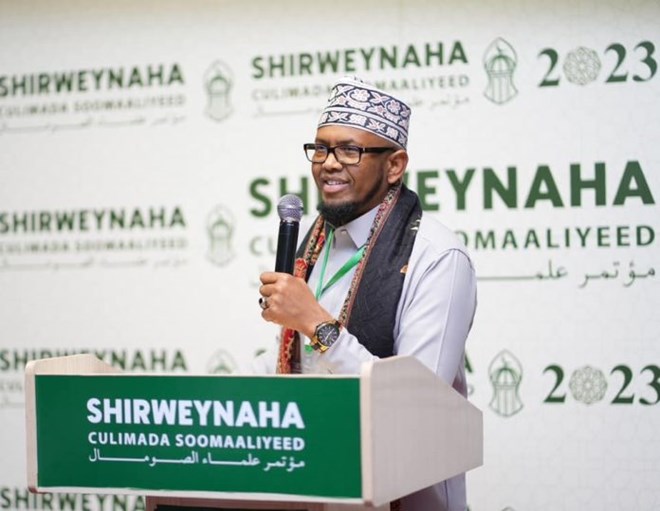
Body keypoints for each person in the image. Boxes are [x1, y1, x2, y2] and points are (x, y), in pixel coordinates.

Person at [257, 76, 477, 511]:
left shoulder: (436, 256)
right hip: (316, 484)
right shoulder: (316, 244)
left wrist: (318, 325)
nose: (328, 164)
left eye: (349, 151)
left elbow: (418, 406)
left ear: (394, 166)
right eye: (321, 149)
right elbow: (300, 364)